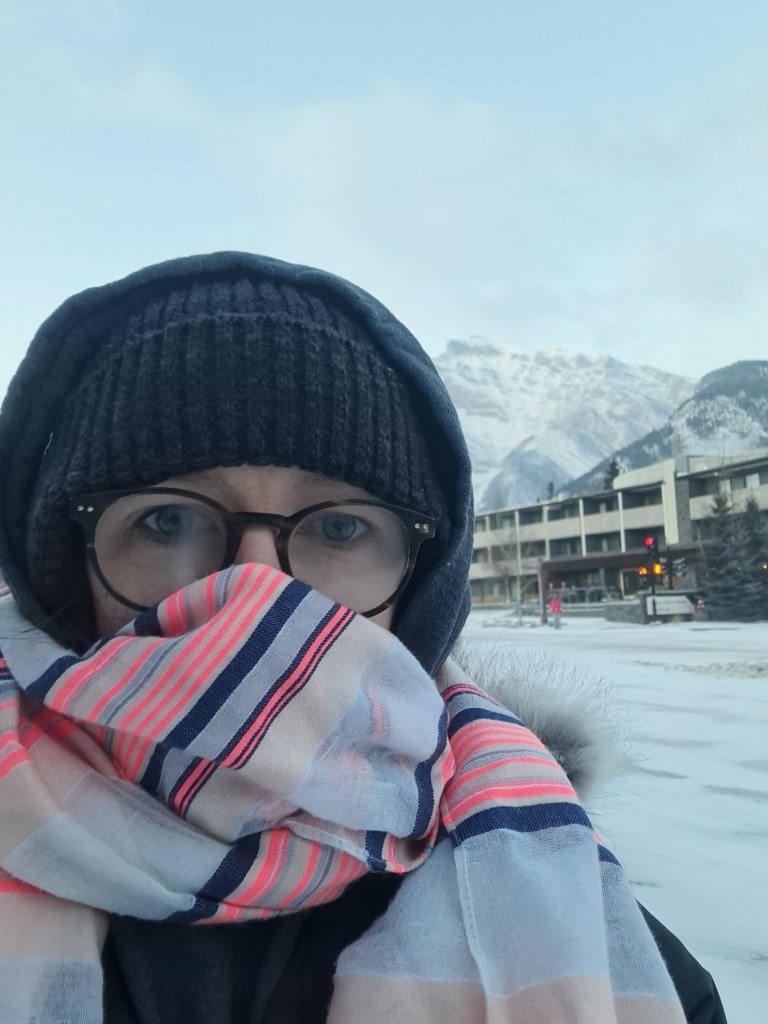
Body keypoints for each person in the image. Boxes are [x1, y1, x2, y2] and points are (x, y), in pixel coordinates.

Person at [0, 252, 725, 1023]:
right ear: (66, 571)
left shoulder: (603, 953)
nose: (259, 590)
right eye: (166, 520)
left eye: (340, 529)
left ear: (420, 590)